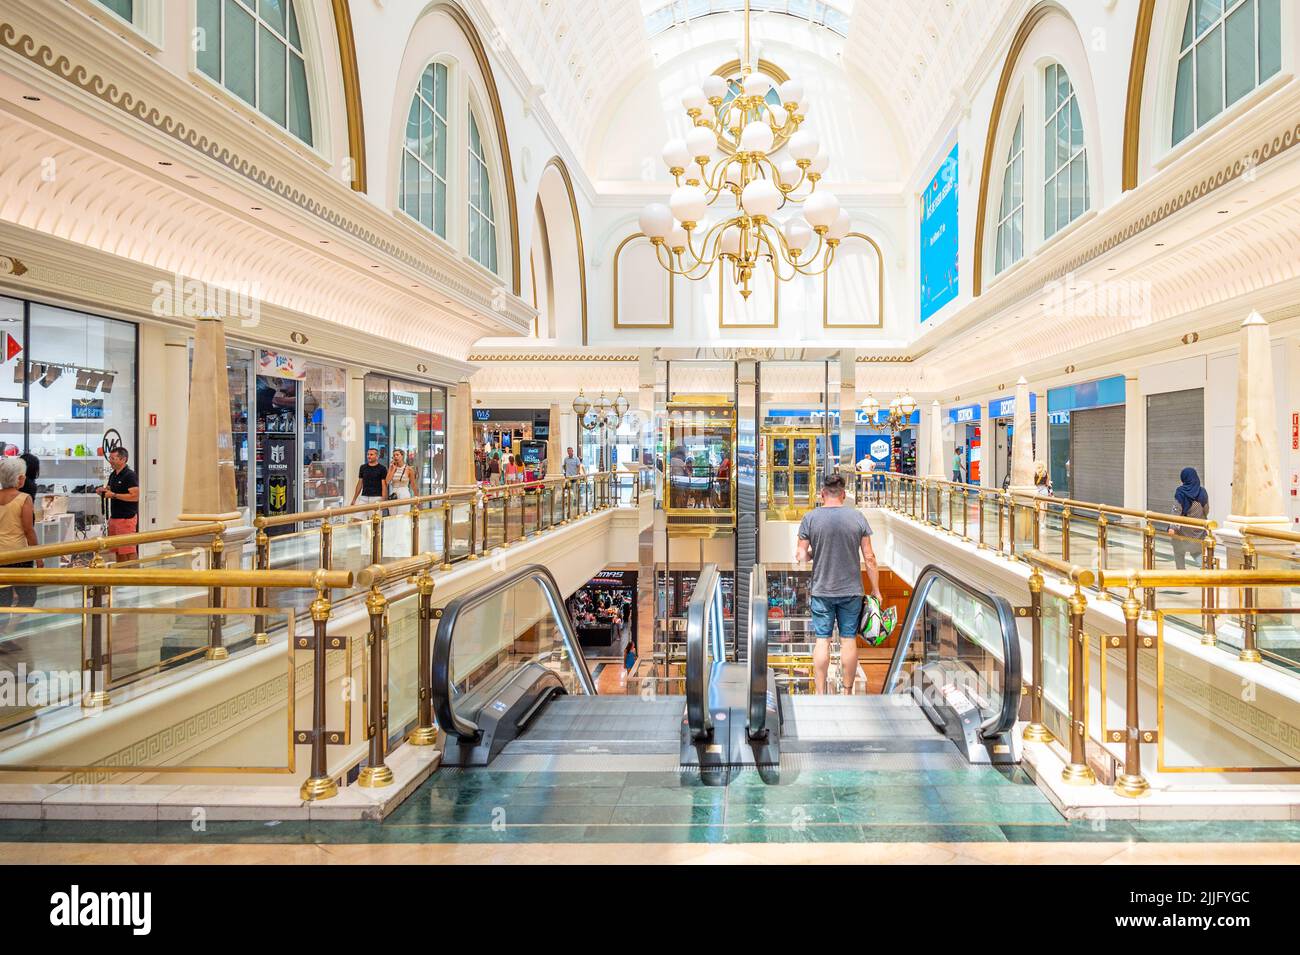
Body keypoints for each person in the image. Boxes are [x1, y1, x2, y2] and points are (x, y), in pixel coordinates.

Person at [796, 472, 882, 695]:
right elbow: (870, 557)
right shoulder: (858, 518)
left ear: (823, 493)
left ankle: (821, 692)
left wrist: (815, 554)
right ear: (843, 494)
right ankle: (847, 691)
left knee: (822, 641)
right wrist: (876, 590)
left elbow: (800, 555)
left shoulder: (810, 518)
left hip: (821, 590)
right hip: (851, 591)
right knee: (848, 640)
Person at [0, 457, 38, 615]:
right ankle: (11, 631)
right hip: (19, 555)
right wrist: (39, 556)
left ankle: (3, 633)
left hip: (1, 555)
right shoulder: (24, 499)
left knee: (3, 599)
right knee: (28, 597)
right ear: (20, 478)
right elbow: (29, 530)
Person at [96, 447, 140, 561]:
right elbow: (110, 489)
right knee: (118, 551)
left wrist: (114, 495)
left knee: (129, 551)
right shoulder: (113, 474)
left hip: (126, 519)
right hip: (114, 518)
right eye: (110, 458)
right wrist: (103, 490)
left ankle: (136, 577)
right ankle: (121, 577)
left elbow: (135, 497)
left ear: (123, 459)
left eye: (113, 458)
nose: (110, 460)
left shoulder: (130, 475)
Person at [1173, 467, 1209, 570]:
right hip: (1199, 528)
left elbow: (1176, 511)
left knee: (1178, 550)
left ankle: (1181, 572)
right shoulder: (1202, 491)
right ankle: (1206, 569)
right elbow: (1206, 510)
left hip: (1185, 530)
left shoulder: (1181, 492)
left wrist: (1173, 527)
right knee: (1197, 551)